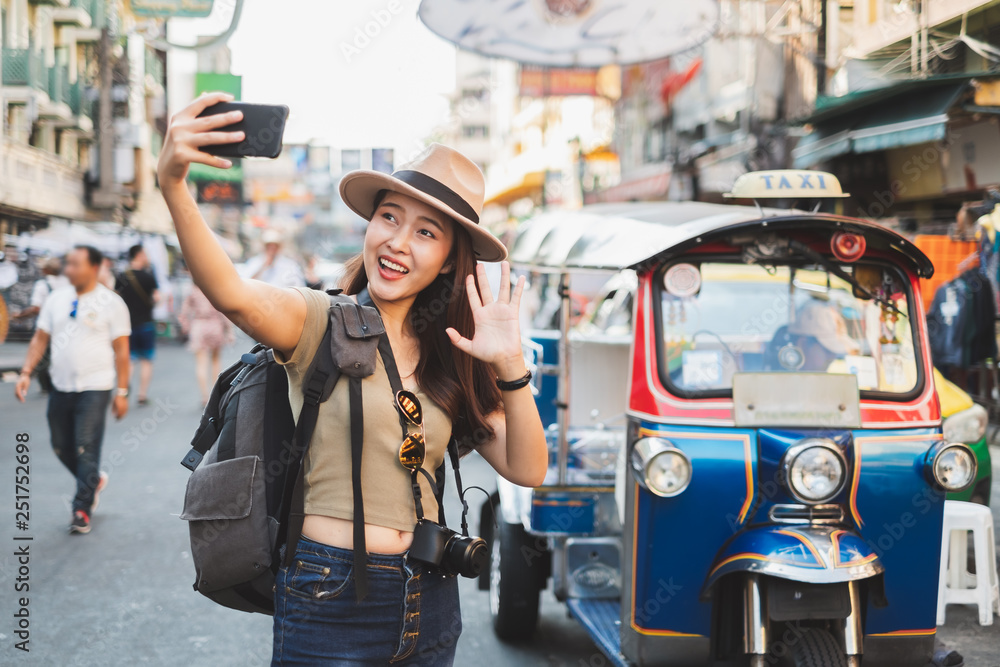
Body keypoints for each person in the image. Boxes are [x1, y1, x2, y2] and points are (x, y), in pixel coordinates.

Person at [158, 92, 547, 665]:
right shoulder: (320, 319)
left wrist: (510, 365)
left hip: (431, 598)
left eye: (425, 232)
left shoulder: (455, 354)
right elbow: (233, 295)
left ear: (447, 260)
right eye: (390, 217)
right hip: (328, 594)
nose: (397, 241)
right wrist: (173, 186)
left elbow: (529, 468)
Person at [14, 245, 131, 535]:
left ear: (94, 267)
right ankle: (92, 479)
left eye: (76, 264)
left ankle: (81, 508)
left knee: (85, 447)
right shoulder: (56, 299)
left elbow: (122, 352)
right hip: (61, 386)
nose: (69, 270)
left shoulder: (111, 303)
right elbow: (40, 339)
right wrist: (26, 372)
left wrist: (122, 392)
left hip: (96, 386)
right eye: (68, 264)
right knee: (60, 445)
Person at [11, 256, 70, 392]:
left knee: (43, 356)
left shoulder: (42, 285)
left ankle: (46, 385)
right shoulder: (67, 282)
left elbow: (36, 308)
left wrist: (20, 316)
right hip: (65, 326)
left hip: (47, 327)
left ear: (46, 269)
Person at [115, 244, 160, 405]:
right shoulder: (148, 277)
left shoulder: (122, 276)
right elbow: (157, 298)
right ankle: (142, 395)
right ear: (139, 255)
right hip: (146, 323)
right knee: (146, 360)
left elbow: (115, 298)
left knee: (129, 359)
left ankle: (124, 390)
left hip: (126, 324)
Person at [179, 282, 235, 406]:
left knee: (201, 363)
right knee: (215, 360)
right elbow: (222, 311)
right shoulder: (214, 290)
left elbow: (184, 312)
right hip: (215, 325)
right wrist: (229, 331)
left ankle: (205, 396)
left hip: (198, 326)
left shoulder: (192, 291)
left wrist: (186, 327)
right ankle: (215, 393)